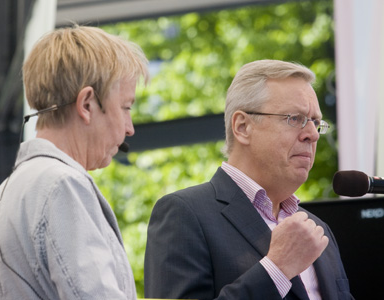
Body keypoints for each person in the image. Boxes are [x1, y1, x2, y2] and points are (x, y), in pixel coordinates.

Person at [144, 60, 353, 300]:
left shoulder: (318, 229)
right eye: (295, 118)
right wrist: (277, 269)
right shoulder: (185, 214)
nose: (313, 134)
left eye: (316, 122)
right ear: (242, 126)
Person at [0, 25, 149, 299]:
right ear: (87, 104)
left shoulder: (1, 202)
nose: (129, 128)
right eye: (125, 107)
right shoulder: (61, 186)